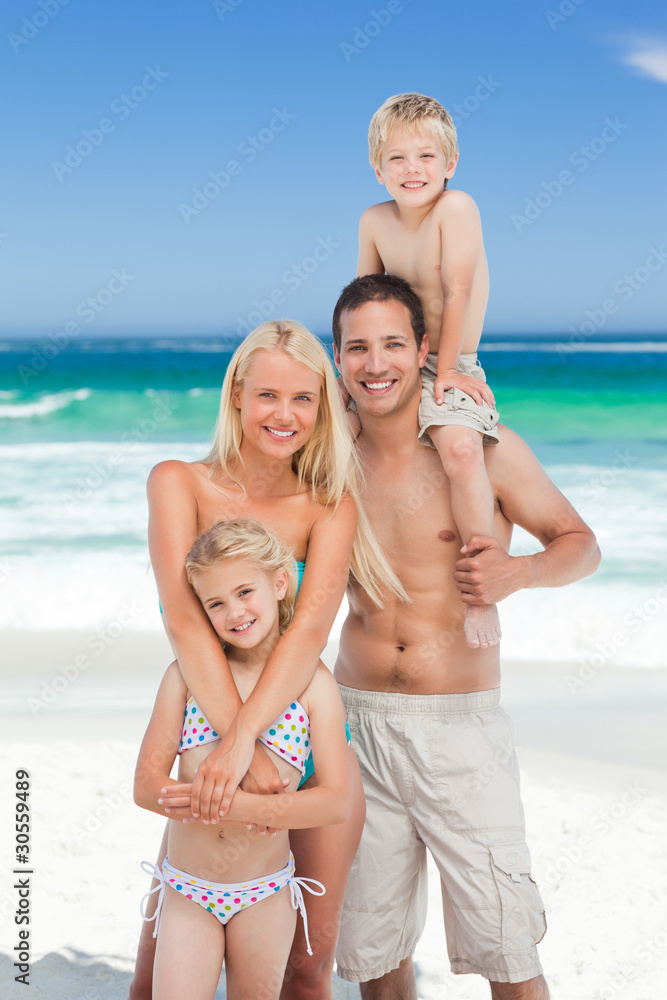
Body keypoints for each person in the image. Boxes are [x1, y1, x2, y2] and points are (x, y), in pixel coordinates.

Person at [330, 274, 601, 999]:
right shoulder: (329, 457)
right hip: (352, 726)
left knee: (506, 949)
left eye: (392, 343)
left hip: (459, 733)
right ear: (336, 359)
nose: (375, 363)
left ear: (423, 349)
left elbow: (579, 543)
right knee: (372, 951)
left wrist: (520, 573)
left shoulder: (479, 447)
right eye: (357, 347)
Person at [130, 319, 405, 1000]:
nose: (284, 415)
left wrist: (252, 739)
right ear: (236, 398)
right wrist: (236, 748)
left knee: (307, 968)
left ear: (322, 407)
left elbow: (310, 631)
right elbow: (187, 625)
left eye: (303, 399)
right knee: (151, 971)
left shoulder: (328, 504)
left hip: (304, 745)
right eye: (266, 396)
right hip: (213, 742)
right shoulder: (178, 482)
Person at [134, 519, 352, 1000]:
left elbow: (335, 802)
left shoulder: (313, 687)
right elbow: (146, 784)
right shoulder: (185, 679)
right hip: (189, 889)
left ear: (279, 584)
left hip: (265, 892)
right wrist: (203, 799)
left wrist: (233, 806)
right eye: (215, 603)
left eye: (244, 592)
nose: (234, 611)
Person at [357, 91, 502, 650]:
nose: (411, 169)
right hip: (391, 361)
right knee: (323, 441)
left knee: (462, 451)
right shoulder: (373, 220)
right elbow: (363, 298)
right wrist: (346, 380)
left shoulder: (457, 209)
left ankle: (481, 588)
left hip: (450, 362)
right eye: (397, 159)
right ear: (378, 170)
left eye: (425, 157)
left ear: (450, 164)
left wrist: (444, 372)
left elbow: (455, 289)